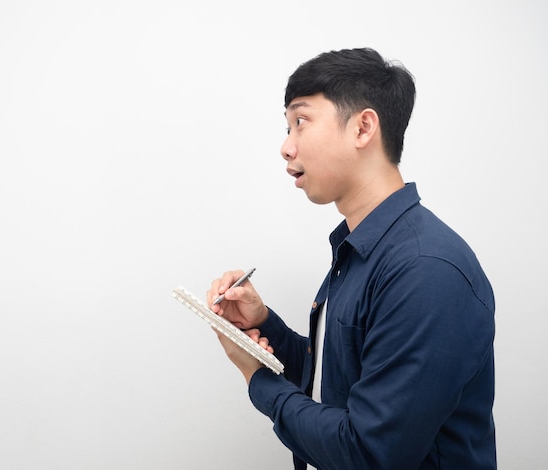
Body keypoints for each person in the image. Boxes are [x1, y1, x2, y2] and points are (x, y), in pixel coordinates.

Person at [206, 48, 496, 470]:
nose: (286, 147)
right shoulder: (362, 250)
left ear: (363, 127)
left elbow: (370, 453)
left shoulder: (426, 270)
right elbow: (343, 377)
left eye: (300, 122)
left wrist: (259, 379)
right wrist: (262, 323)